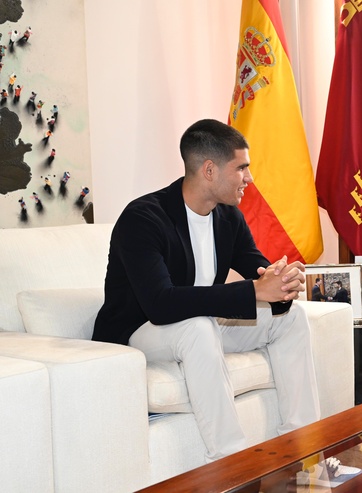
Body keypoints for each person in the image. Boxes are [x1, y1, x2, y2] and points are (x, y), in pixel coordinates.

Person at [92, 118, 321, 462]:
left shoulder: (228, 217)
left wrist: (280, 281)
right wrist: (255, 291)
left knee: (291, 320)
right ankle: (233, 462)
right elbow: (159, 304)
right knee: (198, 327)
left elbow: (258, 269)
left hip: (201, 324)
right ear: (210, 170)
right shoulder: (143, 218)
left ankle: (302, 446)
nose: (249, 177)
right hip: (141, 331)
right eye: (242, 167)